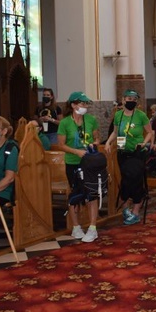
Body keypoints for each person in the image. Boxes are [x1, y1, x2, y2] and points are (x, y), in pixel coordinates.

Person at [105, 89, 153, 225]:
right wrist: (108, 142)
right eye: (128, 98)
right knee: (126, 180)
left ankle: (136, 211)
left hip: (137, 152)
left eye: (133, 99)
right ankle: (125, 207)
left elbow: (150, 132)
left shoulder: (141, 115)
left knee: (135, 180)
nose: (130, 101)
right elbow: (115, 132)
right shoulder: (118, 115)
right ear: (123, 99)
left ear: (136, 101)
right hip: (123, 152)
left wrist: (144, 142)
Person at [58, 91, 101, 242]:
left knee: (91, 193)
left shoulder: (91, 120)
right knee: (75, 194)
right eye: (82, 104)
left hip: (89, 163)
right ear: (73, 105)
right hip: (73, 162)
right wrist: (76, 151)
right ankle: (76, 227)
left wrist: (94, 144)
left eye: (86, 104)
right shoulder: (65, 123)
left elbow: (97, 138)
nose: (85, 107)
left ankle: (93, 228)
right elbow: (61, 145)